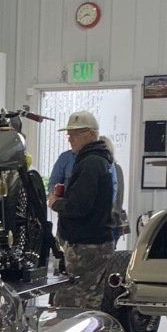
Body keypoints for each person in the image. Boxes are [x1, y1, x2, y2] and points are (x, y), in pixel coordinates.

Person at [51, 110, 119, 309]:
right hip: (96, 241)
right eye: (69, 134)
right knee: (91, 296)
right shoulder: (99, 160)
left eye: (75, 134)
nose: (70, 139)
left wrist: (56, 203)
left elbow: (79, 205)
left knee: (71, 302)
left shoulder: (90, 163)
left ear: (90, 134)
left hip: (86, 245)